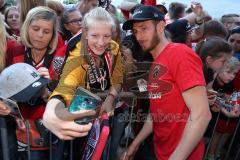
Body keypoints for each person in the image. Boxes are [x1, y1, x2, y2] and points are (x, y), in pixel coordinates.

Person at [121, 5, 211, 160]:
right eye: (135, 31)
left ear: (161, 26)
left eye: (144, 28)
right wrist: (135, 143)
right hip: (158, 148)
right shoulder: (156, 64)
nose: (139, 36)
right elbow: (156, 112)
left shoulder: (179, 53)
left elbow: (202, 115)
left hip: (180, 154)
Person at [43, 7, 123, 141]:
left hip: (102, 115)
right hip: (77, 117)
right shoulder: (78, 52)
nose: (101, 42)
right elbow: (66, 84)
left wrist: (111, 97)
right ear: (85, 33)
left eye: (106, 36)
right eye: (95, 36)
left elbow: (118, 77)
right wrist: (51, 111)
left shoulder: (113, 47)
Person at [206, 57, 240, 160]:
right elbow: (214, 99)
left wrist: (233, 107)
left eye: (234, 73)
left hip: (216, 116)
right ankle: (209, 154)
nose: (231, 76)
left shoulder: (229, 85)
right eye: (229, 72)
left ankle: (215, 154)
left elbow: (224, 101)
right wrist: (226, 112)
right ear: (219, 68)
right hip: (207, 121)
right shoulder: (212, 81)